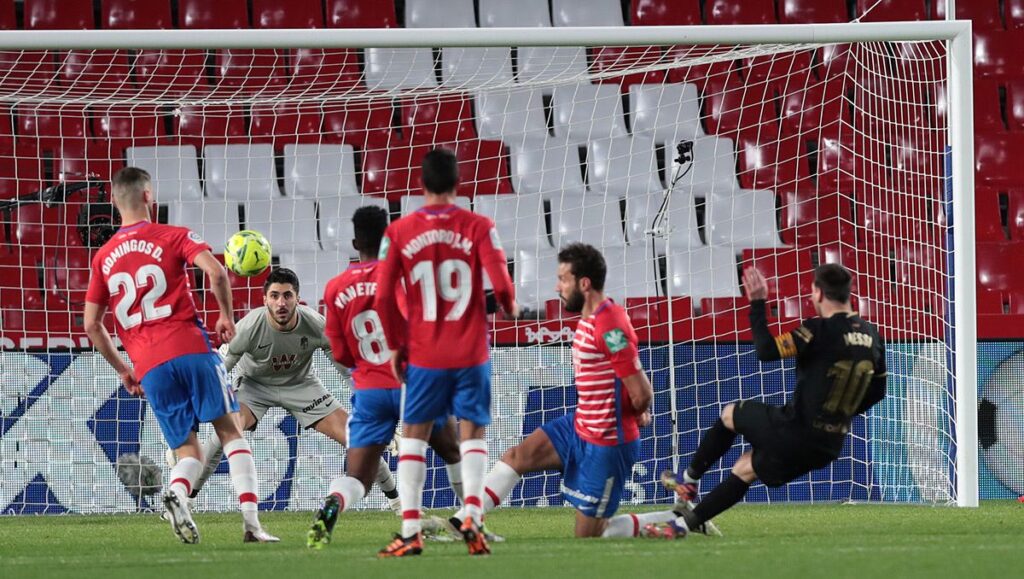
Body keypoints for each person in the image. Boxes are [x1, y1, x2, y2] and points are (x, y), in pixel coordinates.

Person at [83, 166, 275, 544]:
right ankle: (252, 525)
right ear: (149, 196)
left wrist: (124, 369)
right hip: (190, 348)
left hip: (149, 366)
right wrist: (225, 315)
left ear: (113, 202)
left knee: (187, 448)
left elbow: (91, 325)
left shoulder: (102, 257)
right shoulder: (173, 236)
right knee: (231, 431)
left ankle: (178, 493)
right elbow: (216, 272)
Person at [452, 243, 690, 539]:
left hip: (606, 442)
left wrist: (636, 411)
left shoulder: (610, 325)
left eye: (563, 279)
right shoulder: (591, 318)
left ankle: (679, 519)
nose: (557, 287)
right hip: (579, 425)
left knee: (590, 537)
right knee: (517, 457)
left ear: (584, 283)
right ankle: (465, 522)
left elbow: (642, 392)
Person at [660, 264, 888, 536]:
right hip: (829, 445)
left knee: (731, 414)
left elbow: (766, 351)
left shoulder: (817, 330)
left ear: (817, 293)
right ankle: (684, 526)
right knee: (746, 468)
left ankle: (688, 481)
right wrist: (838, 414)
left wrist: (757, 303)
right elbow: (878, 392)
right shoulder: (872, 335)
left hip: (797, 430)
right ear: (848, 293)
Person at [374, 148, 519, 557]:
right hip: (472, 351)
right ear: (458, 184)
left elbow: (384, 296)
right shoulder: (478, 225)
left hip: (423, 354)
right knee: (472, 433)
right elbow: (503, 287)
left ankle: (409, 530)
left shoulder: (398, 233)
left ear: (421, 185)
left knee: (415, 437)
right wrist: (508, 307)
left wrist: (396, 345)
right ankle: (472, 514)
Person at [308, 205, 465, 549]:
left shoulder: (335, 288)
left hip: (370, 391)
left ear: (354, 242)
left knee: (359, 478)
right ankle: (467, 523)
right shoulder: (405, 276)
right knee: (452, 450)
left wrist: (364, 365)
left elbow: (339, 353)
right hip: (414, 384)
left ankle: (334, 502)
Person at [182, 267, 401, 513]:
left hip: (301, 385)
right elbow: (219, 372)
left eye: (287, 295)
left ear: (298, 298)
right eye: (274, 296)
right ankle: (187, 499)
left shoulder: (316, 324)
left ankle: (397, 501)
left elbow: (346, 370)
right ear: (264, 299)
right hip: (255, 386)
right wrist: (193, 413)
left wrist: (375, 407)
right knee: (224, 433)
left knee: (357, 438)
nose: (281, 303)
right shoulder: (248, 327)